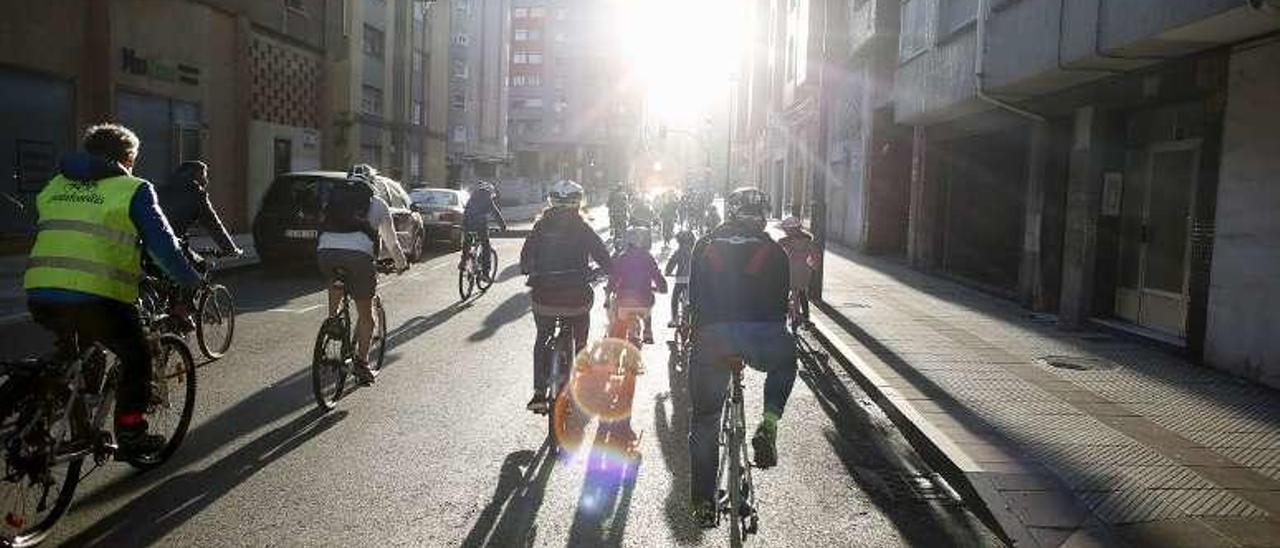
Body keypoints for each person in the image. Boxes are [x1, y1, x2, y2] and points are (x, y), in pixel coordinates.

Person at [24, 123, 202, 458]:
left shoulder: (55, 184)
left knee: (78, 351)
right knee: (136, 355)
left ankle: (72, 412)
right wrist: (190, 279)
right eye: (133, 159)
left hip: (41, 290)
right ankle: (131, 431)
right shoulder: (133, 189)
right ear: (126, 157)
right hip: (99, 297)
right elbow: (163, 249)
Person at [686, 187, 796, 527]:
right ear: (762, 215)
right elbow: (781, 306)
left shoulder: (704, 245)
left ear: (729, 213)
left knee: (705, 420)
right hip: (761, 336)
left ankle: (704, 503)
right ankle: (769, 423)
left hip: (713, 339)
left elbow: (694, 299)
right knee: (785, 360)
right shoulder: (776, 252)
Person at [520, 180, 612, 413]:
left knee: (542, 337)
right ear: (578, 203)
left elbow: (524, 262)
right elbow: (605, 258)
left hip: (544, 298)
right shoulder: (583, 228)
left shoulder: (540, 228)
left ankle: (539, 393)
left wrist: (533, 269)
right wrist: (607, 271)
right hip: (576, 299)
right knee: (581, 329)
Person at [316, 164, 409, 384]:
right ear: (372, 182)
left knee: (336, 280)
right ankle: (362, 363)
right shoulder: (378, 204)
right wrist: (401, 264)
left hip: (325, 253)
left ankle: (333, 321)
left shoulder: (335, 199)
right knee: (367, 318)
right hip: (359, 259)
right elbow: (392, 243)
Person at [156, 160, 244, 329]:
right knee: (199, 266)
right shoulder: (195, 193)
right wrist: (230, 249)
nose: (206, 179)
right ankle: (183, 311)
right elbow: (214, 225)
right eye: (204, 175)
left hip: (148, 245)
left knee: (166, 278)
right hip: (174, 243)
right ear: (195, 175)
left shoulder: (161, 188)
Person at [607, 226, 668, 345]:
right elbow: (657, 275)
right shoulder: (647, 257)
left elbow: (613, 278)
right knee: (648, 307)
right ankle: (648, 331)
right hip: (644, 301)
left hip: (624, 301)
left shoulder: (622, 257)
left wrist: (609, 289)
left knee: (618, 322)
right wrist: (662, 287)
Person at [777, 216, 819, 330]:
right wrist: (813, 267)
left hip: (788, 270)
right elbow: (814, 257)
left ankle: (781, 316)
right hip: (804, 272)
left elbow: (776, 256)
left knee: (783, 292)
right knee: (802, 294)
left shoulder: (783, 242)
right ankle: (806, 319)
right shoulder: (809, 241)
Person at [461, 180, 508, 276]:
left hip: (467, 223)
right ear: (490, 192)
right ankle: (486, 272)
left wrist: (464, 225)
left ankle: (464, 261)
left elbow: (466, 212)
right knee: (486, 245)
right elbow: (496, 214)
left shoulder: (471, 198)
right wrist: (503, 226)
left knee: (468, 241)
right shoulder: (487, 199)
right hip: (480, 224)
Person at [664, 229, 696, 328]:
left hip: (681, 279)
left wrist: (668, 272)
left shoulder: (679, 251)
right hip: (693, 280)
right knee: (694, 299)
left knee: (675, 298)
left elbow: (671, 263)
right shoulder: (695, 251)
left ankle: (674, 319)